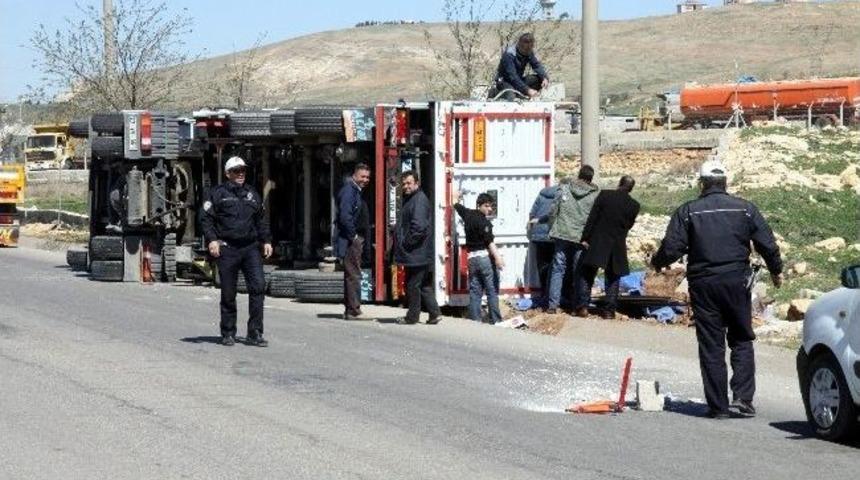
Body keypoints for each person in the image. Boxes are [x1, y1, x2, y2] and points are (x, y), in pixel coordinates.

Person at [651, 160, 783, 419]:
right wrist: (776, 269)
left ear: (702, 184)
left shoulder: (688, 211)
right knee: (741, 338)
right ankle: (743, 398)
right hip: (737, 282)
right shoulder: (746, 209)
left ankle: (718, 406)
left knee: (711, 344)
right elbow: (766, 243)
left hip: (704, 284)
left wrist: (657, 262)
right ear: (725, 183)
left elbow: (672, 247)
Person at [201, 156, 273, 347]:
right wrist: (212, 240)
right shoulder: (217, 193)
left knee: (258, 287)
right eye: (236, 171)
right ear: (228, 174)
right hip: (228, 248)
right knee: (228, 292)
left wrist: (266, 240)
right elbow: (206, 219)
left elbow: (261, 220)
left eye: (243, 170)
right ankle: (228, 332)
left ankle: (255, 332)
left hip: (250, 248)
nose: (241, 174)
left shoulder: (252, 194)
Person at [580, 176, 641, 319]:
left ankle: (582, 307)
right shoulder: (634, 205)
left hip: (598, 240)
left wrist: (585, 237)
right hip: (617, 243)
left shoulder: (605, 195)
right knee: (613, 277)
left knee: (587, 273)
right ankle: (609, 311)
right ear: (631, 189)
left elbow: (592, 217)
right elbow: (629, 225)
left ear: (619, 183)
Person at [545, 166, 599, 314]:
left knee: (558, 269)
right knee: (578, 271)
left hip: (561, 234)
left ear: (579, 175)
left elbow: (553, 211)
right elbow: (594, 218)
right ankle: (576, 307)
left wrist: (552, 229)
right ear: (591, 178)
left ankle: (552, 306)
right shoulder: (594, 195)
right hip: (580, 238)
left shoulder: (564, 189)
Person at [394, 171, 442, 325]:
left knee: (412, 285)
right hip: (418, 252)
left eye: (409, 183)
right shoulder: (413, 199)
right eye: (404, 183)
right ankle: (435, 313)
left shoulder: (419, 200)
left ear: (417, 183)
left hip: (417, 252)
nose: (406, 186)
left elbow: (419, 227)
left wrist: (406, 243)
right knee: (423, 285)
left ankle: (412, 316)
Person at [453, 190, 505, 323]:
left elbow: (456, 205)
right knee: (491, 291)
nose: (489, 209)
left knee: (475, 291)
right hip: (483, 258)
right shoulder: (484, 223)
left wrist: (456, 195)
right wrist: (498, 258)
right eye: (486, 206)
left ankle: (475, 321)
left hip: (471, 259)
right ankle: (496, 320)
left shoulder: (468, 214)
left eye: (491, 206)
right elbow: (489, 242)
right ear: (479, 205)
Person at [335, 163, 371, 320]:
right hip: (350, 240)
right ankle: (353, 310)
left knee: (352, 273)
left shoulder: (355, 191)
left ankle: (350, 309)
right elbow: (345, 217)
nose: (365, 180)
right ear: (354, 176)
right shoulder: (349, 191)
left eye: (367, 177)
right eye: (362, 176)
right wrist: (354, 237)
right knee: (354, 274)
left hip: (353, 239)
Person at [527, 184, 561, 309]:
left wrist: (532, 230)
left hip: (537, 234)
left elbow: (532, 214)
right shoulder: (563, 195)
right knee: (555, 269)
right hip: (552, 235)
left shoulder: (542, 194)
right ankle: (550, 297)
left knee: (542, 266)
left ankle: (543, 295)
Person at [491, 32, 550, 101]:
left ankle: (521, 96)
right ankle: (495, 93)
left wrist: (544, 77)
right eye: (526, 49)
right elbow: (513, 76)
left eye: (529, 49)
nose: (527, 52)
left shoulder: (528, 52)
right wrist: (527, 90)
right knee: (511, 95)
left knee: (539, 79)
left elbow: (536, 65)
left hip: (518, 80)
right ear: (519, 45)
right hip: (504, 81)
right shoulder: (509, 55)